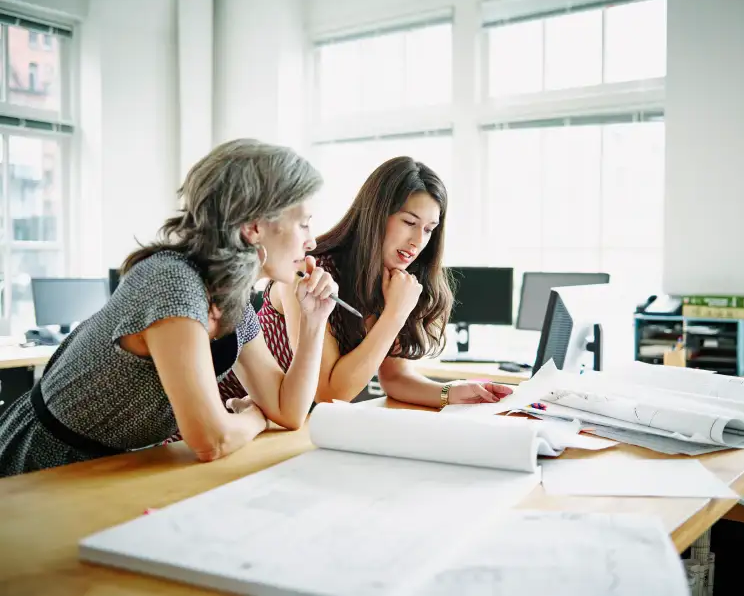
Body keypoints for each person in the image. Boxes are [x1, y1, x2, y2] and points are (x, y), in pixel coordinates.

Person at [0, 139, 338, 477]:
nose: (311, 241)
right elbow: (212, 440)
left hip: (117, 466)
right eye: (303, 223)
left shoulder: (231, 301)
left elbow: (288, 410)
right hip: (39, 462)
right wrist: (252, 417)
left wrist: (313, 322)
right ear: (253, 227)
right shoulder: (173, 283)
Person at [218, 156, 512, 409]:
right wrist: (395, 314)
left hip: (289, 427)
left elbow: (396, 378)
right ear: (376, 215)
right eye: (409, 223)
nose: (418, 241)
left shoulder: (395, 281)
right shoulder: (311, 273)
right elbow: (329, 393)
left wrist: (452, 391)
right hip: (232, 415)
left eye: (429, 229)